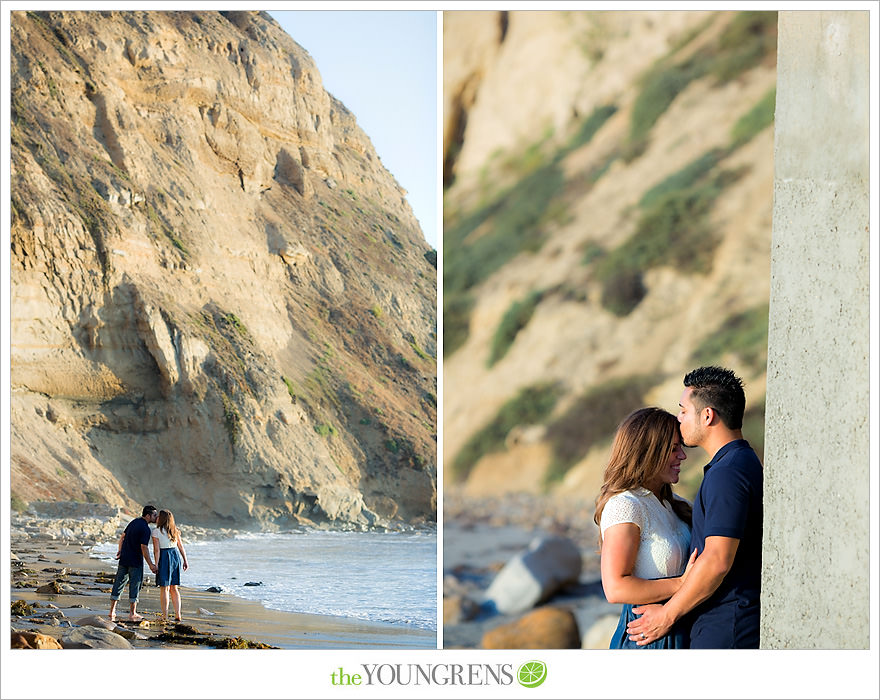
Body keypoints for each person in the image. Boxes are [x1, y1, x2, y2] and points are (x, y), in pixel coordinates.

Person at [626, 366, 763, 648]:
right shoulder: (741, 462)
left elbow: (717, 560)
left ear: (708, 415)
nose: (679, 419)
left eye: (683, 411)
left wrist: (666, 614)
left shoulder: (728, 473)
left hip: (726, 629)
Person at [594, 407, 696, 649]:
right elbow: (615, 587)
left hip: (679, 626)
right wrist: (682, 584)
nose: (682, 456)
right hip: (647, 637)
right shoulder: (625, 505)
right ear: (647, 452)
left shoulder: (675, 504)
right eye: (673, 449)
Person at [109, 504, 158, 622]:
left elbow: (122, 537)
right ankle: (132, 613)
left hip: (124, 558)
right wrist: (151, 564)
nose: (156, 517)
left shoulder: (133, 522)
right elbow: (144, 547)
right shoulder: (146, 529)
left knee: (118, 584)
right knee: (135, 585)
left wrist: (120, 550)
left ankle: (111, 611)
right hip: (135, 561)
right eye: (154, 515)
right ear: (148, 515)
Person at [152, 509, 189, 622]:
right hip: (175, 556)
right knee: (174, 588)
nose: (157, 518)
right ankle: (178, 614)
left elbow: (156, 550)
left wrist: (156, 564)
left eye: (158, 516)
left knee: (164, 588)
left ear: (161, 519)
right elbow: (181, 547)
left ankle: (165, 616)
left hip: (164, 557)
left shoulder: (156, 531)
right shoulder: (175, 531)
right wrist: (185, 560)